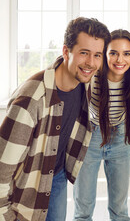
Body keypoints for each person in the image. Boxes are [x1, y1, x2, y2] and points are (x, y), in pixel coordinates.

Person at [0, 17, 110, 221]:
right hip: (27, 186)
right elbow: (2, 168)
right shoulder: (31, 99)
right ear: (66, 51)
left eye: (97, 55)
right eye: (84, 53)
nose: (91, 63)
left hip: (57, 177)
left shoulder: (84, 82)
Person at [73, 29, 130, 220]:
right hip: (91, 136)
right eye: (113, 53)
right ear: (105, 54)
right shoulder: (92, 74)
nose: (120, 60)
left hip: (121, 138)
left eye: (126, 54)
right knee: (83, 209)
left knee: (119, 210)